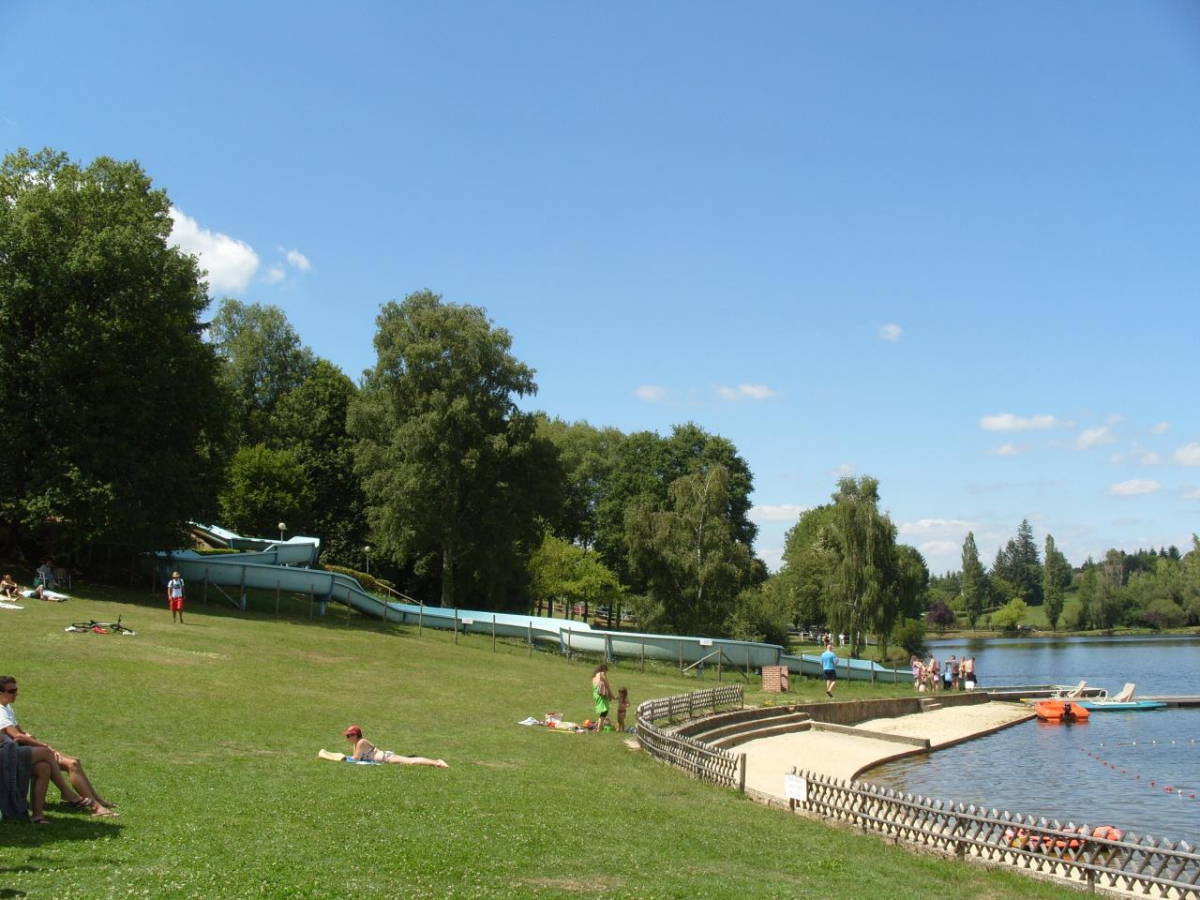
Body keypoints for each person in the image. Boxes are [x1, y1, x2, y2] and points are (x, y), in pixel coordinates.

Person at [0, 676, 117, 816]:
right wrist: (44, 746)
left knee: (74, 762)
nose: (16, 693)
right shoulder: (0, 711)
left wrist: (29, 735)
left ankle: (97, 801)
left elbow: (20, 731)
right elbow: (17, 736)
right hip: (14, 754)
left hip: (25, 750)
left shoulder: (7, 707)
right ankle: (92, 805)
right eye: (11, 691)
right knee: (70, 763)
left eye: (16, 689)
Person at [338, 725, 448, 767]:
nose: (347, 738)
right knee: (409, 761)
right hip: (385, 759)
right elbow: (356, 758)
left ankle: (437, 763)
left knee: (411, 761)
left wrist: (341, 758)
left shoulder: (361, 742)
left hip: (387, 757)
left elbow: (355, 759)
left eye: (349, 736)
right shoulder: (356, 744)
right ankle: (436, 762)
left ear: (356, 735)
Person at [591, 663, 614, 731]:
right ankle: (598, 729)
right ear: (604, 669)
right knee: (605, 711)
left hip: (595, 694)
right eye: (606, 671)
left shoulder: (594, 676)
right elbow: (607, 685)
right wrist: (611, 695)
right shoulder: (602, 673)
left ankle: (598, 727)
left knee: (603, 711)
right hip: (601, 694)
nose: (606, 673)